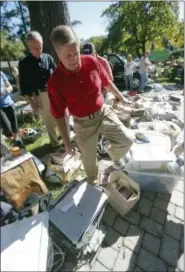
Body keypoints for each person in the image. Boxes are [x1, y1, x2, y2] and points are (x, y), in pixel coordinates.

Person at [48, 25, 133, 184]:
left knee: (127, 140)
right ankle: (93, 184)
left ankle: (112, 157)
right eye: (68, 56)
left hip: (103, 113)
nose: (75, 59)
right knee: (90, 166)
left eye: (76, 53)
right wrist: (67, 142)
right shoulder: (55, 82)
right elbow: (59, 115)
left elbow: (107, 82)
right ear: (58, 54)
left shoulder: (92, 61)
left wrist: (122, 97)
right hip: (83, 124)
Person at [18, 31, 59, 147]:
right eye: (35, 48)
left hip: (54, 93)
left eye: (40, 47)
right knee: (48, 121)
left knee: (60, 116)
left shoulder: (48, 58)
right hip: (39, 96)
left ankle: (62, 136)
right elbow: (24, 86)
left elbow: (56, 75)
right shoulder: (24, 64)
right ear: (29, 47)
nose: (38, 50)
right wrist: (31, 103)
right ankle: (55, 143)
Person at [0, 71, 19, 142]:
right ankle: (12, 142)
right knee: (7, 127)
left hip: (9, 103)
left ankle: (18, 144)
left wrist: (9, 89)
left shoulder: (1, 73)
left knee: (15, 127)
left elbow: (9, 86)